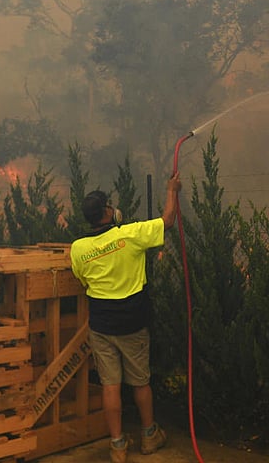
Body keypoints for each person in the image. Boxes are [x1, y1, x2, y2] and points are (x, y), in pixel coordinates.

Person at [70, 172, 181, 462]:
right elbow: (167, 221)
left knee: (111, 385)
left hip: (101, 326)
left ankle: (118, 445)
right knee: (141, 382)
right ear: (107, 211)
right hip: (133, 324)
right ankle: (149, 436)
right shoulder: (129, 235)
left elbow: (83, 282)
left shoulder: (78, 249)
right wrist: (172, 190)